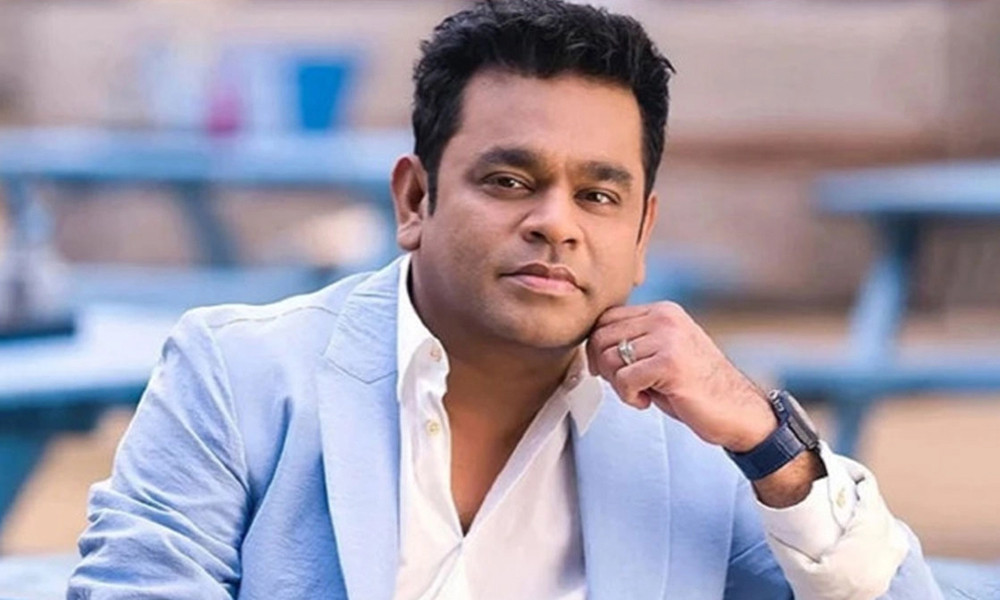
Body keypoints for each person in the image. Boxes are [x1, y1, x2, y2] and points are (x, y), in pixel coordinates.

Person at [68, 1, 942, 598]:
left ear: (641, 233)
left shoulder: (697, 439)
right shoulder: (238, 375)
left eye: (598, 195)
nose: (556, 223)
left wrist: (772, 446)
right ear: (415, 200)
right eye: (510, 180)